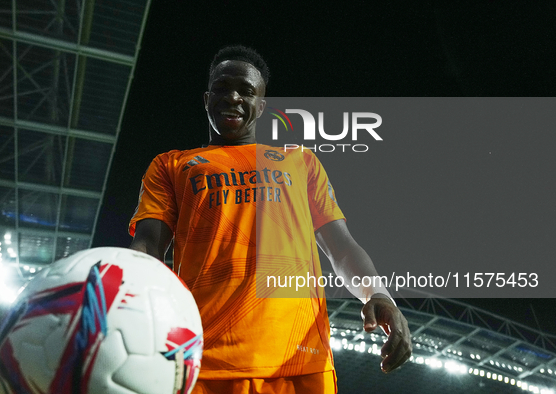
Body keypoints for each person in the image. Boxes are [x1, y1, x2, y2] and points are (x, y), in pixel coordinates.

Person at [129, 45, 412, 394]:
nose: (233, 96)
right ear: (206, 99)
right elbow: (147, 247)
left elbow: (340, 247)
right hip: (203, 362)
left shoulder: (300, 162)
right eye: (221, 88)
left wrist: (377, 293)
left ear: (261, 106)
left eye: (246, 91)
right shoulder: (170, 165)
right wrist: (127, 305)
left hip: (298, 362)